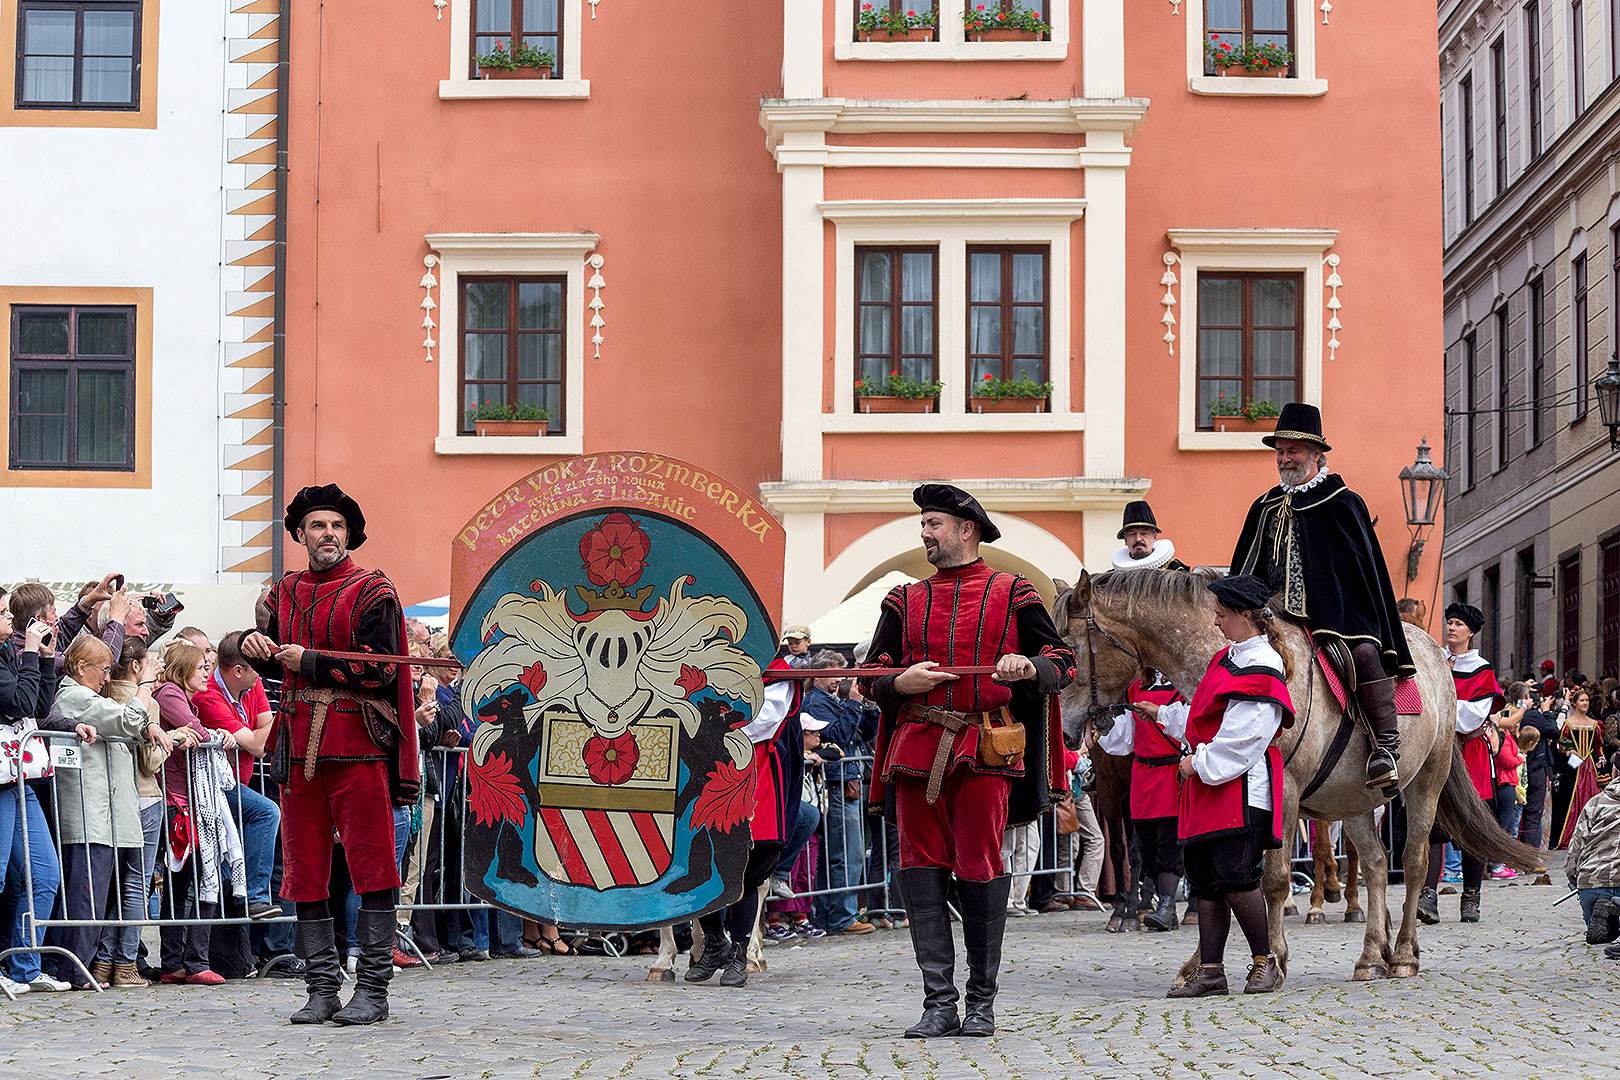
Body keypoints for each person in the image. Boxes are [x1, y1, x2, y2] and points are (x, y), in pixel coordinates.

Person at [862, 484, 1075, 1038]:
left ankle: (981, 1002)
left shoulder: (1015, 592)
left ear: (967, 529)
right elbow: (873, 678)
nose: (926, 533)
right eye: (924, 524)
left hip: (984, 748)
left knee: (980, 867)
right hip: (916, 748)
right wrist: (897, 682)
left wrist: (1027, 666)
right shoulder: (903, 600)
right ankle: (939, 1002)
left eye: (934, 523)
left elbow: (1062, 661)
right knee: (919, 869)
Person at [240, 483, 419, 1025]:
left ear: (349, 535)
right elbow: (275, 662)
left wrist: (309, 662)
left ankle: (372, 992)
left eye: (337, 527)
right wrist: (253, 643)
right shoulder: (281, 594)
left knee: (372, 865)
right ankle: (321, 989)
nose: (329, 535)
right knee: (305, 871)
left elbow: (381, 668)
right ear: (300, 534)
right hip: (298, 750)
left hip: (358, 748)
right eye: (318, 526)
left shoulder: (374, 591)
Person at [1230, 403, 1414, 793]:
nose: (1284, 458)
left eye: (1293, 450)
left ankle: (1386, 747)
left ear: (1316, 454)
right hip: (1269, 612)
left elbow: (1363, 574)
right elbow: (1245, 568)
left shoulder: (1342, 502)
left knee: (1362, 653)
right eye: (1280, 451)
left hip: (1337, 611)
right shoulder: (1263, 506)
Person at [1127, 575, 1295, 997]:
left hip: (1238, 787)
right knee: (1205, 880)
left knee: (1236, 876)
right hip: (1210, 785)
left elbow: (1245, 738)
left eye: (1222, 614)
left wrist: (1195, 764)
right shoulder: (1226, 659)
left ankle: (1264, 962)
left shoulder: (1262, 663)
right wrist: (1163, 716)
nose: (1217, 622)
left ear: (1244, 615)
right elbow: (1207, 720)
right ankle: (1211, 971)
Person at [44, 636, 169, 989]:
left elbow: (130, 724)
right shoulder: (75, 697)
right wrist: (143, 686)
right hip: (89, 815)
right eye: (102, 669)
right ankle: (73, 970)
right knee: (86, 897)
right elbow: (127, 719)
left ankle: (79, 969)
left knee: (96, 896)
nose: (106, 676)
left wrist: (147, 724)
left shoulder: (88, 696)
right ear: (82, 668)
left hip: (103, 814)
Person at [686, 666, 802, 988]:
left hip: (755, 773)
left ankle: (739, 952)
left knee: (748, 868)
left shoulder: (779, 671)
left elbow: (764, 721)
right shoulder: (709, 656)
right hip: (711, 768)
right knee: (701, 858)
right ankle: (714, 943)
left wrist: (713, 724)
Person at [1416, 603, 1504, 926]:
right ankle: (1428, 895)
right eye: (1449, 622)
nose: (1451, 628)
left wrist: (1443, 711)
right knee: (1433, 825)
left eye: (1457, 624)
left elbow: (1473, 717)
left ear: (1470, 632)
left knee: (1472, 829)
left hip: (1472, 756)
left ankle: (1471, 897)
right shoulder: (1435, 661)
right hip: (1439, 752)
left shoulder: (1482, 669)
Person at [191, 631, 284, 922]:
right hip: (213, 789)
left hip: (237, 783)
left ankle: (246, 909)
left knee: (235, 863)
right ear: (238, 671)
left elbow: (261, 739)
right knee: (268, 812)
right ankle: (255, 898)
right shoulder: (208, 695)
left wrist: (262, 730)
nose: (263, 677)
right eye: (257, 668)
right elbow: (259, 745)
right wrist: (276, 719)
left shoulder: (250, 685)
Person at [1097, 667, 1187, 931]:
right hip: (1142, 775)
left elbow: (1190, 727)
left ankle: (1167, 907)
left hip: (1171, 772)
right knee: (1145, 843)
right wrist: (1103, 729)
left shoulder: (1182, 689)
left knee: (1168, 841)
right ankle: (1163, 906)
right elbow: (1124, 740)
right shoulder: (1135, 689)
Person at [800, 651, 879, 936]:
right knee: (846, 853)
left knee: (843, 852)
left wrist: (867, 706)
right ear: (819, 675)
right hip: (837, 782)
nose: (840, 679)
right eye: (834, 673)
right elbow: (839, 737)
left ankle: (829, 915)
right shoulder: (815, 703)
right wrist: (854, 704)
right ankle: (841, 917)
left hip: (847, 781)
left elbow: (864, 735)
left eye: (841, 673)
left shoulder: (831, 701)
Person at [1564, 771, 1619, 945]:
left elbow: (1576, 847)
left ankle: (1605, 916)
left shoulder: (1595, 803)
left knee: (1606, 933)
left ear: (1615, 771)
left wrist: (1576, 881)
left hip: (1592, 882)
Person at [1555, 687, 1606, 849]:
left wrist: (1602, 757)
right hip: (1574, 767)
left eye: (1587, 700)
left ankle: (1594, 834)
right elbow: (1561, 743)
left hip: (1590, 765)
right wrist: (1569, 750)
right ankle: (1571, 835)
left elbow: (1598, 745)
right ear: (1575, 703)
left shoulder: (1595, 724)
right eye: (1582, 700)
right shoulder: (1568, 723)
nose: (1585, 703)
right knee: (1571, 797)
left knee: (1594, 798)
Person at [1111, 500, 1190, 571]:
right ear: (1125, 539)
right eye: (1132, 534)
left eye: (1144, 533)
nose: (1138, 539)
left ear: (1154, 536)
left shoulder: (1174, 571)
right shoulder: (1112, 578)